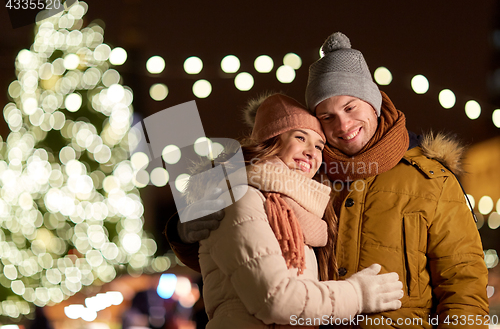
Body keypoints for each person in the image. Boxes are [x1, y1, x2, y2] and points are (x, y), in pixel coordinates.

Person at [166, 32, 489, 328]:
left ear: (374, 103)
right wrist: (186, 227)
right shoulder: (303, 178)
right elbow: (241, 257)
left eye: (350, 107)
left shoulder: (431, 179)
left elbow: (464, 284)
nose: (343, 124)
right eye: (327, 116)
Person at [180, 93, 403, 328]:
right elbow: (274, 301)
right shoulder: (240, 195)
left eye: (319, 146)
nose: (312, 152)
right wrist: (357, 294)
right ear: (271, 140)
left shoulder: (298, 209)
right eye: (300, 137)